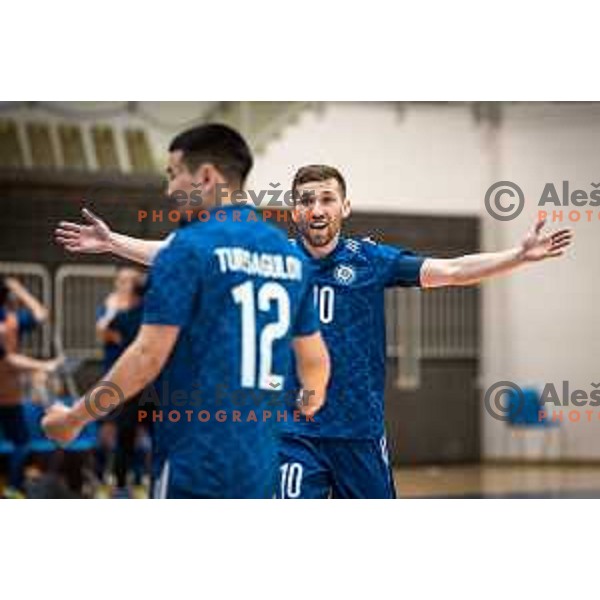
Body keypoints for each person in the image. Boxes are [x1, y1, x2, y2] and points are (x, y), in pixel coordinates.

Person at [54, 162, 574, 498]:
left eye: (327, 199)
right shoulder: (271, 256)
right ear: (294, 209)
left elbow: (455, 270)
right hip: (294, 432)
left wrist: (518, 256)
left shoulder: (372, 259)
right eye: (306, 200)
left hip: (360, 432)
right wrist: (113, 242)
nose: (317, 209)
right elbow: (180, 253)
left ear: (344, 206)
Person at [44, 124, 330, 499]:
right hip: (261, 466)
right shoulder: (290, 256)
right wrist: (308, 400)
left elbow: (146, 356)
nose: (169, 189)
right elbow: (315, 363)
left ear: (206, 176)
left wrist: (73, 419)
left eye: (174, 174)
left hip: (195, 462)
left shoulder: (191, 246)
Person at [95, 267, 147, 494]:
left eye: (130, 281)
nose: (125, 284)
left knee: (136, 429)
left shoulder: (140, 308)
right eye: (122, 281)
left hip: (139, 377)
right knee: (107, 428)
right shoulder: (110, 306)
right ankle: (102, 474)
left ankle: (136, 476)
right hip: (113, 375)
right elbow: (105, 334)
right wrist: (113, 311)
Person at [0, 276, 51, 494]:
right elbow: (41, 313)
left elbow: (41, 316)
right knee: (21, 442)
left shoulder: (11, 320)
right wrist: (20, 290)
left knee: (22, 442)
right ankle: (12, 485)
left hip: (9, 395)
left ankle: (13, 486)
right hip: (9, 393)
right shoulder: (9, 323)